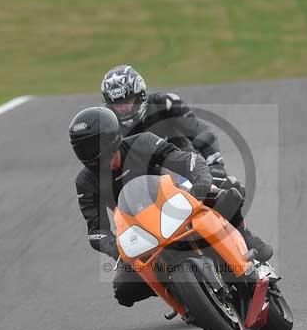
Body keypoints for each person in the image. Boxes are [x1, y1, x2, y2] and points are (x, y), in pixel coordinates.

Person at [69, 107, 273, 307]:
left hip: (174, 202)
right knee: (123, 289)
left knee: (226, 190)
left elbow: (188, 160)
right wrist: (116, 248)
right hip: (138, 231)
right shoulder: (85, 182)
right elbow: (96, 231)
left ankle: (246, 238)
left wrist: (200, 183)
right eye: (89, 152)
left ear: (114, 139)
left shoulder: (143, 142)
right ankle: (181, 294)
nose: (100, 159)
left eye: (102, 150)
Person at [100, 65, 242, 197]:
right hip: (143, 185)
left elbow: (199, 131)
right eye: (117, 104)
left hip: (186, 168)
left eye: (127, 101)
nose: (123, 108)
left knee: (232, 190)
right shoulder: (107, 125)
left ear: (140, 95)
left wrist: (215, 164)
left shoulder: (166, 103)